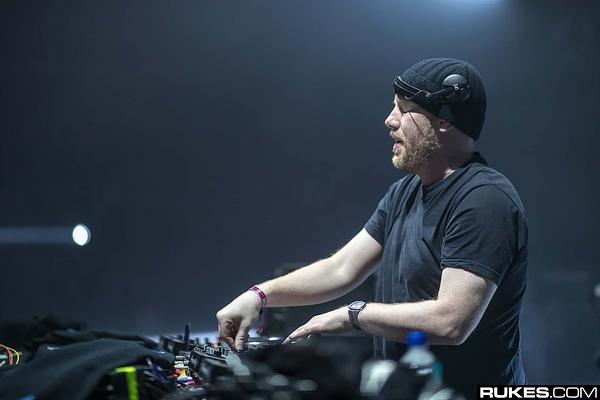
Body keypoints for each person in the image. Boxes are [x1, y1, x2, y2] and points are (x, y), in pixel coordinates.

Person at [216, 58, 528, 396]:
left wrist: (353, 315)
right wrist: (259, 296)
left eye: (404, 109)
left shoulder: (484, 201)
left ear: (444, 121)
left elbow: (450, 322)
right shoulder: (404, 193)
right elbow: (341, 269)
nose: (389, 120)